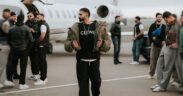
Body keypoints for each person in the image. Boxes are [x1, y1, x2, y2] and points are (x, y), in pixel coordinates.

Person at [65, 8, 111, 96]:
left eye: (80, 14)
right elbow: (67, 43)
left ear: (86, 14)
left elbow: (108, 43)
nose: (78, 16)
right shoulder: (75, 28)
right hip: (81, 60)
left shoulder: (99, 27)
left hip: (94, 59)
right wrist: (71, 44)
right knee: (82, 85)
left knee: (96, 82)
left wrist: (101, 45)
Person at [152, 11, 181, 92]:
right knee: (159, 64)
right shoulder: (169, 24)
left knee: (167, 67)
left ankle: (162, 86)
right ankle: (159, 83)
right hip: (166, 46)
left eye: (166, 20)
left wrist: (177, 44)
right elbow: (167, 34)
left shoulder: (178, 24)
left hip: (172, 48)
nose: (166, 22)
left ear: (168, 17)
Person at [6, 11, 33, 90]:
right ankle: (22, 83)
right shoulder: (26, 28)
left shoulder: (12, 28)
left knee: (12, 65)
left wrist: (12, 47)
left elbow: (8, 40)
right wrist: (28, 49)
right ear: (23, 19)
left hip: (14, 50)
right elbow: (31, 40)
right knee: (23, 67)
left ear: (17, 19)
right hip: (23, 50)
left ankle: (10, 81)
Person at [147, 13, 166, 79]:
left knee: (162, 60)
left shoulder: (163, 26)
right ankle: (151, 74)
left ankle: (161, 74)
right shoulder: (152, 25)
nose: (159, 18)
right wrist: (152, 39)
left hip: (161, 45)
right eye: (158, 17)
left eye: (160, 17)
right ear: (156, 18)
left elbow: (165, 35)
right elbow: (149, 34)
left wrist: (163, 40)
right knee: (153, 60)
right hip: (154, 45)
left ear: (161, 18)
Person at [34, 13, 50, 85]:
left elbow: (42, 36)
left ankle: (43, 79)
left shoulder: (43, 25)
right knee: (42, 61)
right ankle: (44, 78)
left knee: (42, 62)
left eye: (38, 17)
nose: (37, 19)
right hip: (43, 45)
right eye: (36, 18)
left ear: (43, 17)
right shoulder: (43, 24)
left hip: (42, 45)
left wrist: (37, 41)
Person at [25, 12, 40, 81]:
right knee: (31, 60)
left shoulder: (37, 23)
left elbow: (40, 33)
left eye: (30, 16)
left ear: (33, 16)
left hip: (35, 44)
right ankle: (33, 74)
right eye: (28, 16)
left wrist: (34, 31)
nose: (29, 17)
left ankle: (37, 74)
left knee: (35, 60)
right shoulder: (26, 23)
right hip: (29, 44)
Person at [0, 9, 11, 88]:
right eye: (8, 14)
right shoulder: (5, 23)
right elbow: (8, 32)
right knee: (1, 65)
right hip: (3, 45)